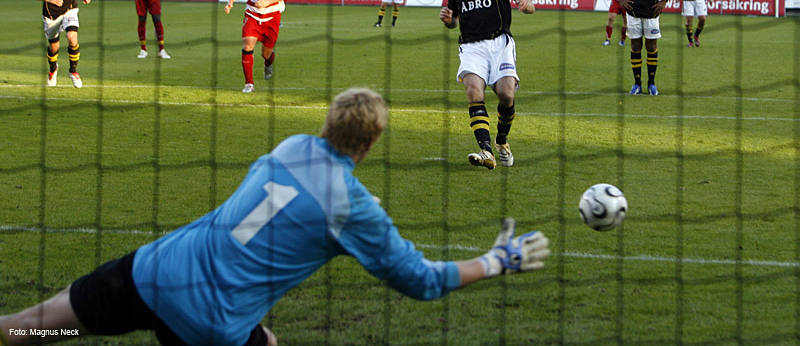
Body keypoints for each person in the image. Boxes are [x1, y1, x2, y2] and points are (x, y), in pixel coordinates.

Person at [0, 88, 551, 346]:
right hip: (208, 326)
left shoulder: (290, 146)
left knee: (37, 325)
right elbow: (423, 282)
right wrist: (496, 260)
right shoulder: (351, 207)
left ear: (328, 123)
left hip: (151, 274)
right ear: (373, 140)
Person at [439, 0, 535, 170]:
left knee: (507, 95)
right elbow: (453, 22)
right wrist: (448, 19)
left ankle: (502, 141)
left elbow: (528, 3)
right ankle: (486, 151)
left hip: (500, 44)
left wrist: (526, 3)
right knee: (473, 92)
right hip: (471, 47)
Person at [27, 0, 92, 88]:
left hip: (70, 9)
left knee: (72, 37)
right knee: (54, 46)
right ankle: (53, 69)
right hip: (51, 14)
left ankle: (73, 71)